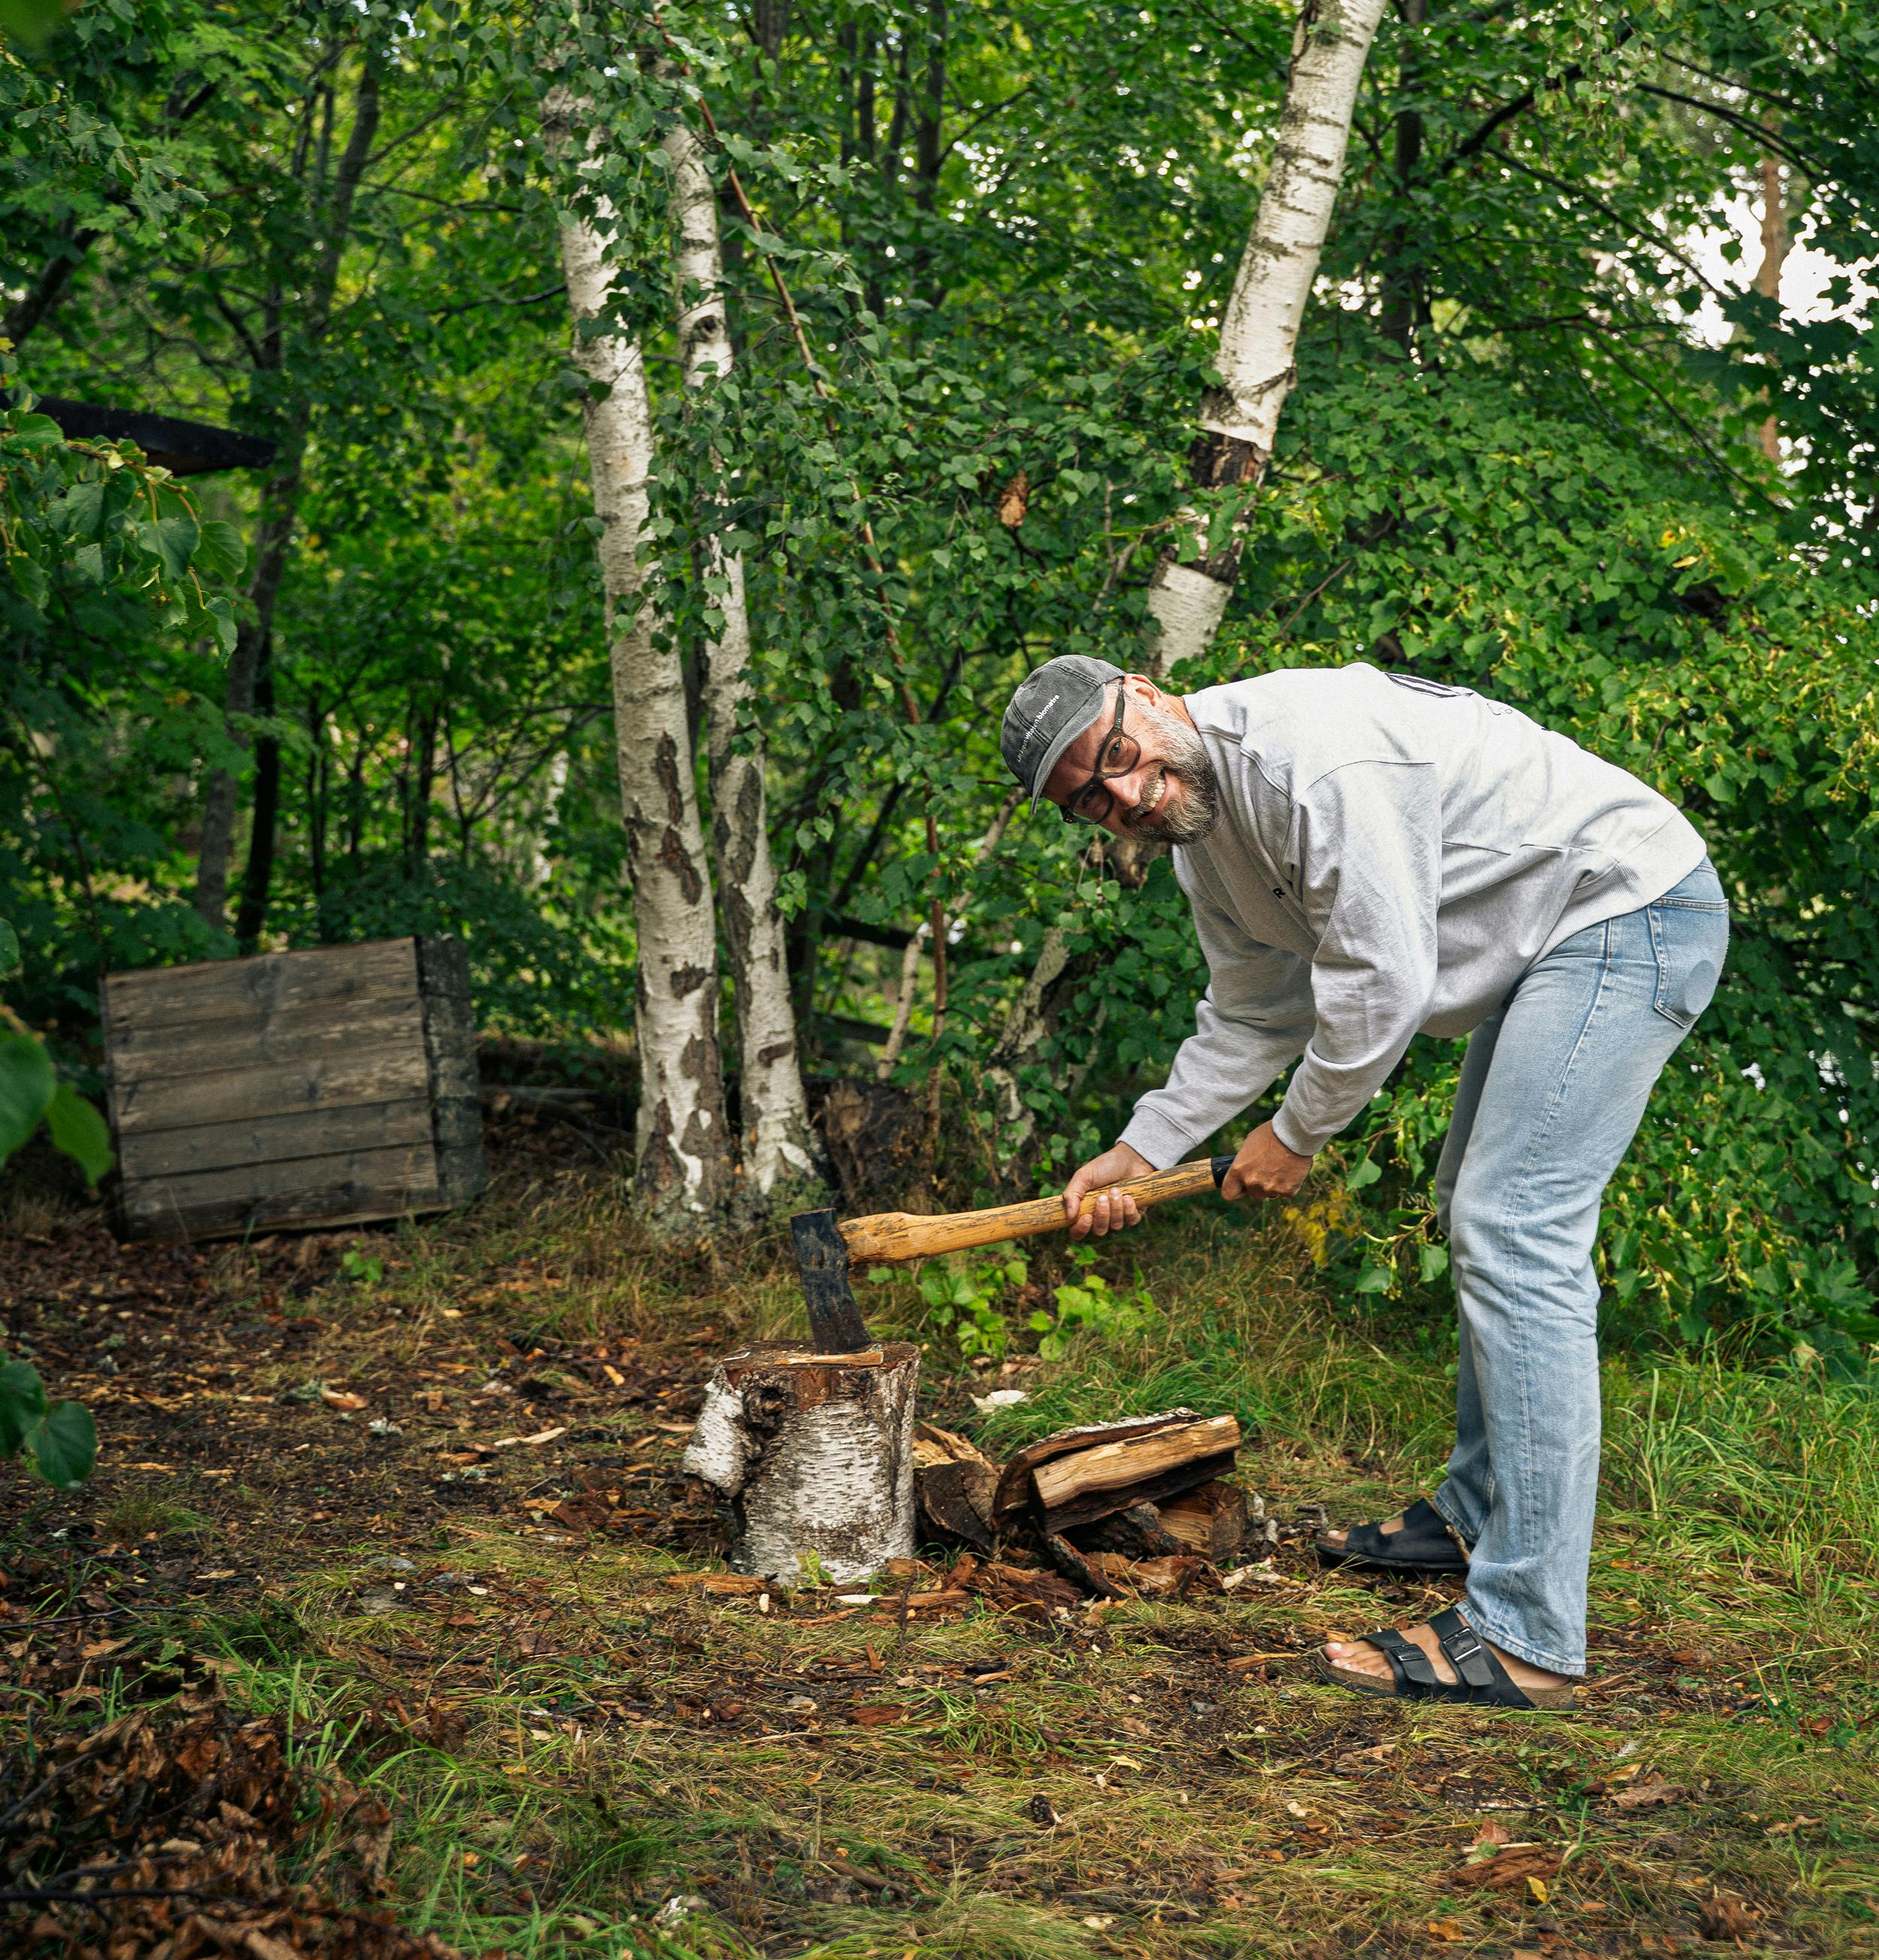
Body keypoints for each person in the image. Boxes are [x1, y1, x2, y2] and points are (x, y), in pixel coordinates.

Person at [999, 654, 1728, 1711]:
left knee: (1513, 1228)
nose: (1123, 794)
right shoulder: (1206, 847)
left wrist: (1294, 1138)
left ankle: (1528, 1635)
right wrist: (1142, 1147)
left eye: (1116, 754)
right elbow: (1255, 1012)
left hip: (1627, 909)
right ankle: (1477, 1515)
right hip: (1555, 941)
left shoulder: (1310, 758)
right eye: (1089, 800)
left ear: (1148, 692)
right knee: (1472, 1207)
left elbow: (1385, 980)